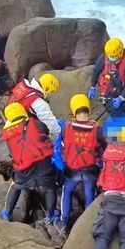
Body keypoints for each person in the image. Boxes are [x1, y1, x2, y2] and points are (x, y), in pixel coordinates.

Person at [53, 94, 106, 233]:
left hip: (71, 170)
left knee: (67, 191)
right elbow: (104, 150)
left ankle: (64, 222)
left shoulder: (66, 129)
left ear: (73, 110)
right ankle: (88, 223)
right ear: (88, 109)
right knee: (90, 193)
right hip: (90, 170)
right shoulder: (98, 130)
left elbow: (61, 147)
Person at [0, 102, 58, 223]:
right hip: (44, 166)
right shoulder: (37, 124)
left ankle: (7, 213)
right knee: (50, 187)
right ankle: (50, 215)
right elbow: (46, 133)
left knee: (15, 186)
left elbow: (12, 154)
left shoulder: (7, 135)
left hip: (23, 171)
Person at [87, 38, 125, 116]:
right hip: (108, 87)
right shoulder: (104, 58)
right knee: (109, 106)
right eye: (110, 56)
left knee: (121, 109)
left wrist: (121, 97)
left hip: (122, 89)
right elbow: (96, 71)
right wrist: (92, 86)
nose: (111, 59)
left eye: (113, 57)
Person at [9, 72, 62, 139]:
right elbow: (51, 124)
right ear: (47, 89)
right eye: (51, 92)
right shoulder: (40, 104)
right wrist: (61, 134)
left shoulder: (26, 85)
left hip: (11, 118)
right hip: (22, 130)